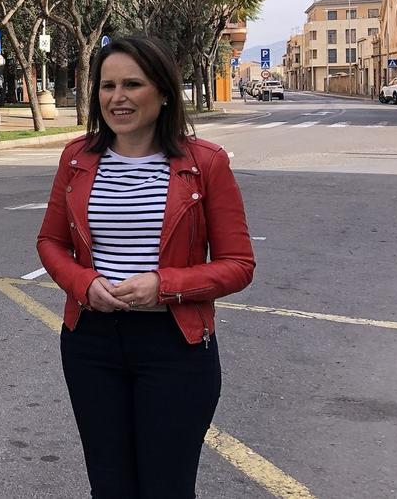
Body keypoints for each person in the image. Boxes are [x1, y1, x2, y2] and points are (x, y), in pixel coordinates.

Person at [36, 35, 255, 498]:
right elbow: (51, 242)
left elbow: (238, 265)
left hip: (175, 347)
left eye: (132, 84)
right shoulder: (77, 158)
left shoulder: (205, 163)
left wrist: (164, 285)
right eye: (107, 85)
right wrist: (83, 283)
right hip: (91, 343)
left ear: (163, 90)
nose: (117, 97)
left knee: (167, 488)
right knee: (109, 486)